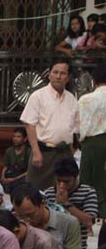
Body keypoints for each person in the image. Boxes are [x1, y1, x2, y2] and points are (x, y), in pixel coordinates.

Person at [20, 56, 79, 189]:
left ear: (68, 77)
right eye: (55, 72)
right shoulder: (38, 96)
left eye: (62, 73)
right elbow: (29, 125)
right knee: (35, 190)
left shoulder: (72, 99)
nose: (58, 76)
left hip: (65, 153)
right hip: (43, 152)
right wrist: (36, 152)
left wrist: (72, 152)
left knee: (65, 191)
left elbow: (75, 128)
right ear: (49, 74)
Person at [11, 182, 84, 249]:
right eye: (20, 216)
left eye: (30, 215)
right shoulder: (15, 223)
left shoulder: (68, 223)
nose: (26, 220)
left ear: (42, 204)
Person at [44, 157, 97, 249]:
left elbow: (89, 222)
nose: (62, 185)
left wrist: (66, 203)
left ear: (75, 177)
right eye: (59, 181)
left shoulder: (88, 192)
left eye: (66, 181)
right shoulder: (48, 193)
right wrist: (56, 204)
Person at [78, 64, 106, 213]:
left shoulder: (85, 100)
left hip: (90, 143)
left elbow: (78, 126)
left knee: (89, 184)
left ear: (93, 80)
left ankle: (90, 214)